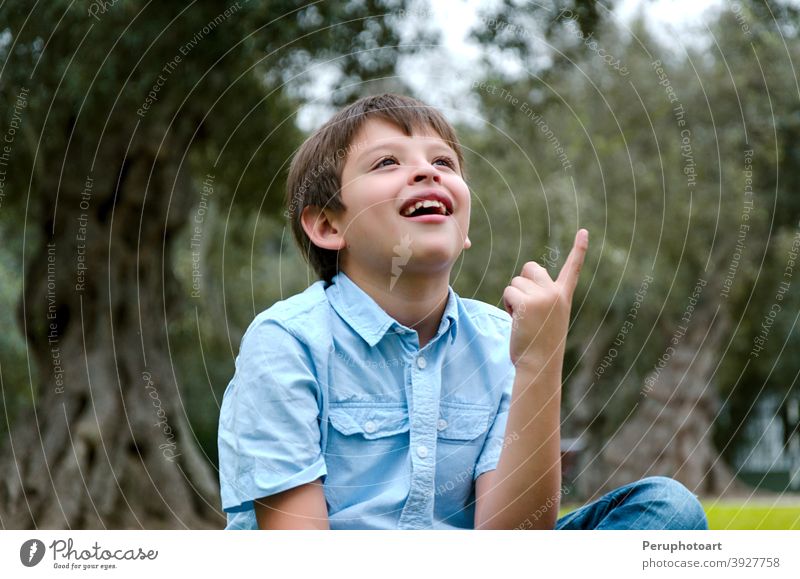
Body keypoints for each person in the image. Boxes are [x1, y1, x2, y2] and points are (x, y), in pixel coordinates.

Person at [217, 93, 707, 530]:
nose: (427, 171)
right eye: (387, 162)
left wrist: (540, 359)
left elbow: (514, 547)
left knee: (667, 507)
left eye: (444, 163)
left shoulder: (500, 341)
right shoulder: (286, 342)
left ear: (463, 227)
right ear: (327, 225)